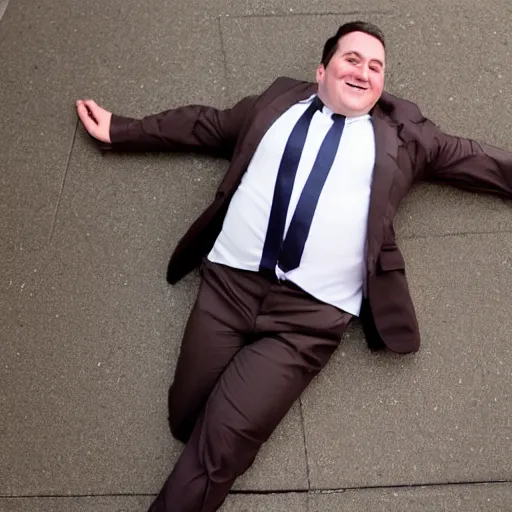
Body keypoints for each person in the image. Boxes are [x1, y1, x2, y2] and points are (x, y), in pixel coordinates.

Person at [76, 20, 512, 512]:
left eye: (376, 67)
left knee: (222, 443)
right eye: (353, 59)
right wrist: (121, 129)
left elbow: (479, 160)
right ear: (321, 70)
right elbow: (206, 125)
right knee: (186, 416)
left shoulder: (406, 137)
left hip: (306, 322)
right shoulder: (275, 105)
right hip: (228, 288)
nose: (364, 73)